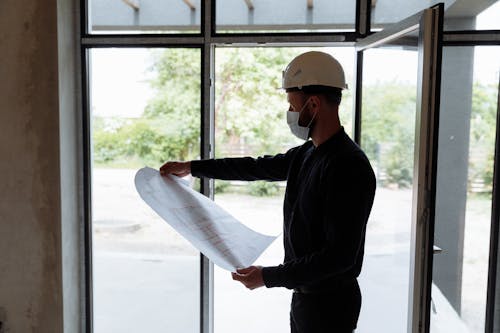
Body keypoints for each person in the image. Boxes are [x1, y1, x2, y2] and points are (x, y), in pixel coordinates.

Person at [160, 51, 376, 333]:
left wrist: (268, 276)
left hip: (331, 306)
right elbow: (255, 168)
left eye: (292, 104)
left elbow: (338, 257)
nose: (290, 112)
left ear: (313, 103)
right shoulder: (309, 153)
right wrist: (192, 167)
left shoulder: (348, 166)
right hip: (305, 299)